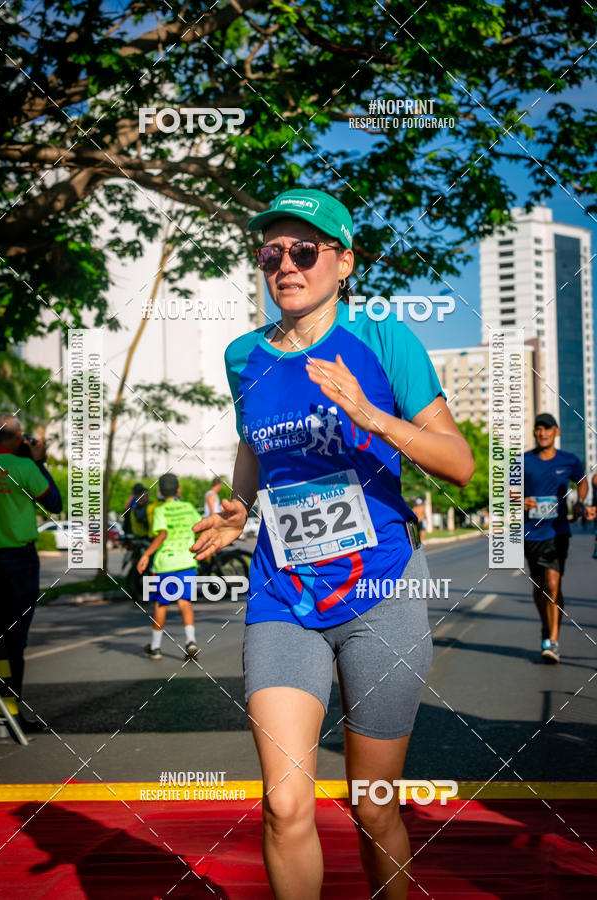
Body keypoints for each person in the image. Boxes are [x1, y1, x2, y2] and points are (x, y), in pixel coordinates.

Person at [191, 188, 474, 899]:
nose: (285, 264)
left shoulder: (385, 342)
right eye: (271, 253)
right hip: (282, 595)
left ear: (343, 262)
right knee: (286, 803)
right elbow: (255, 447)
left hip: (381, 591)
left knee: (372, 804)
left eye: (305, 250)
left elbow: (460, 462)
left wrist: (370, 413)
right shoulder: (243, 357)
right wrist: (238, 507)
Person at [0, 414, 62, 732]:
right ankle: (10, 714)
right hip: (17, 562)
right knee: (14, 639)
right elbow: (54, 501)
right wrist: (38, 462)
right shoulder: (24, 468)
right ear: (16, 438)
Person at [523, 413, 596, 664]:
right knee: (539, 586)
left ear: (557, 432)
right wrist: (520, 500)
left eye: (547, 429)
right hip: (531, 533)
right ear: (534, 432)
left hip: (559, 532)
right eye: (538, 428)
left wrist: (580, 501)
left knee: (553, 584)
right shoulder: (523, 461)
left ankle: (552, 640)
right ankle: (546, 625)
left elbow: (582, 481)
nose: (542, 433)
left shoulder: (570, 460)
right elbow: (507, 492)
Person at [137, 473, 201, 660]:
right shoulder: (189, 508)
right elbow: (199, 527)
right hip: (187, 561)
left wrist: (146, 555)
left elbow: (162, 534)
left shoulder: (160, 510)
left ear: (159, 492)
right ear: (179, 490)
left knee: (162, 603)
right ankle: (191, 642)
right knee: (185, 602)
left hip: (165, 563)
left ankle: (155, 647)